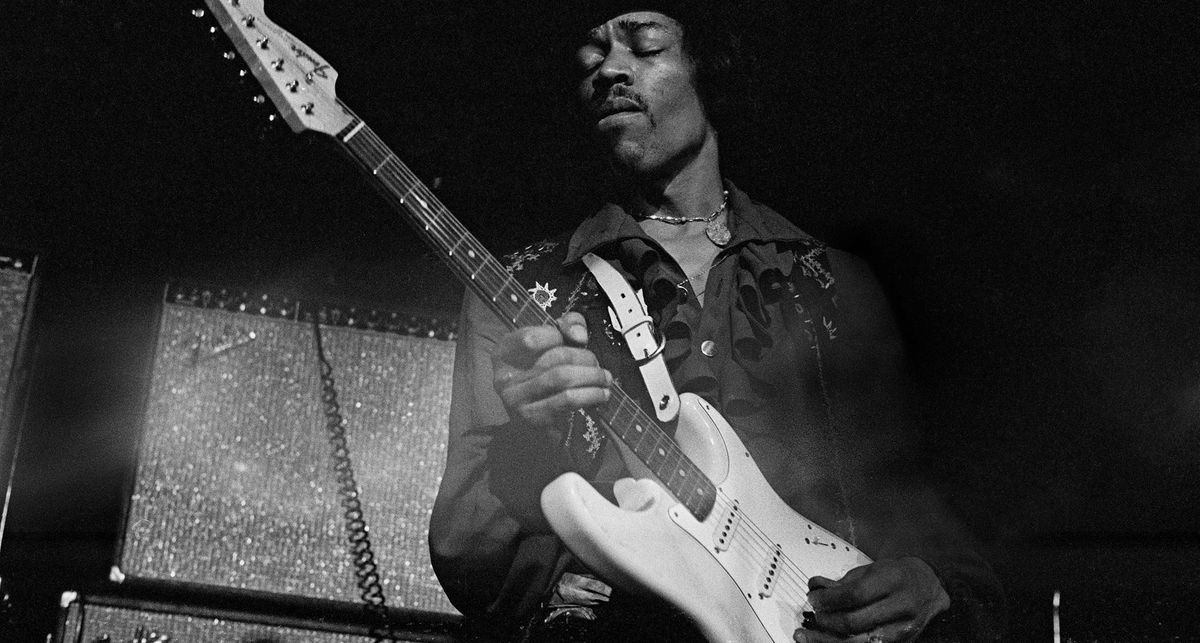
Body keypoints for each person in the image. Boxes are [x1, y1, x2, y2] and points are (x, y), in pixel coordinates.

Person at [429, 3, 1005, 641]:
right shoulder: (523, 290)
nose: (610, 69)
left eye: (645, 46)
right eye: (592, 55)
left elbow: (916, 503)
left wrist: (936, 584)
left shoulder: (831, 283)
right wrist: (528, 438)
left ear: (711, 71)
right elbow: (467, 555)